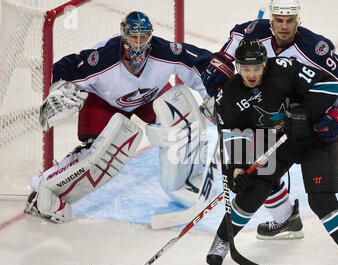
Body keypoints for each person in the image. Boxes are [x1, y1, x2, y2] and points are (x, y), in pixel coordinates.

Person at [201, 0, 338, 239]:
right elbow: (231, 49)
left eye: (289, 21)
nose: (283, 26)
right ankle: (286, 219)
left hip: (318, 120)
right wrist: (220, 67)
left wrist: (335, 116)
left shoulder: (314, 48)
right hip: (275, 121)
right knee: (256, 170)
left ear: (297, 20)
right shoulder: (251, 34)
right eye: (279, 20)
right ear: (271, 20)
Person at [207, 38, 338, 265]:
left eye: (256, 68)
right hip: (275, 143)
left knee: (322, 200)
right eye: (245, 68)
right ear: (237, 66)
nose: (251, 74)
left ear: (265, 64)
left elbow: (330, 85)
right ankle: (223, 240)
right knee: (250, 190)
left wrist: (306, 112)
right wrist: (237, 169)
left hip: (313, 139)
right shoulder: (230, 96)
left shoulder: (285, 68)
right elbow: (234, 134)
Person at [24, 11, 212, 223]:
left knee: (183, 123)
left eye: (144, 36)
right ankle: (45, 188)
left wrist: (215, 94)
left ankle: (185, 181)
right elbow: (64, 67)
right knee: (100, 155)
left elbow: (200, 62)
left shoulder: (163, 51)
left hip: (149, 96)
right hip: (105, 101)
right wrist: (59, 88)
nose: (139, 42)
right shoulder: (102, 59)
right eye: (134, 37)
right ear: (124, 36)